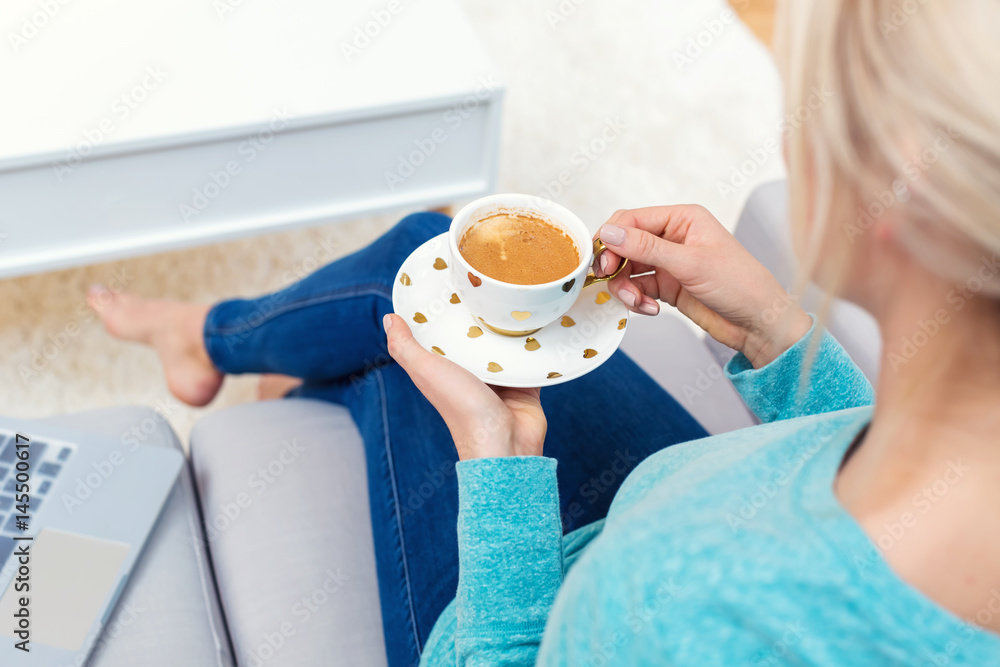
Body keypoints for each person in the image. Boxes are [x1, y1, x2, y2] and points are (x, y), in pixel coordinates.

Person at [89, 0, 1000, 664]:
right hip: (664, 513)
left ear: (896, 195)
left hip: (530, 604)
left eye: (807, 108)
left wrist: (500, 470)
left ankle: (211, 341)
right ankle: (229, 346)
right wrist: (775, 333)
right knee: (430, 267)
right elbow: (872, 461)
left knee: (409, 296)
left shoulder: (679, 605)